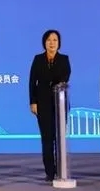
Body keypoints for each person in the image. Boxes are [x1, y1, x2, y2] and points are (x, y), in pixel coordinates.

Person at [28, 29, 71, 182]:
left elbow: (65, 78)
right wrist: (33, 101)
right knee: (46, 138)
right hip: (42, 103)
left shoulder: (64, 59)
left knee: (59, 137)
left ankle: (61, 169)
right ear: (44, 42)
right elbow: (32, 81)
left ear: (59, 43)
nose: (52, 43)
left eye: (55, 40)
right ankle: (49, 172)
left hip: (59, 103)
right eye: (49, 40)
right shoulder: (38, 59)